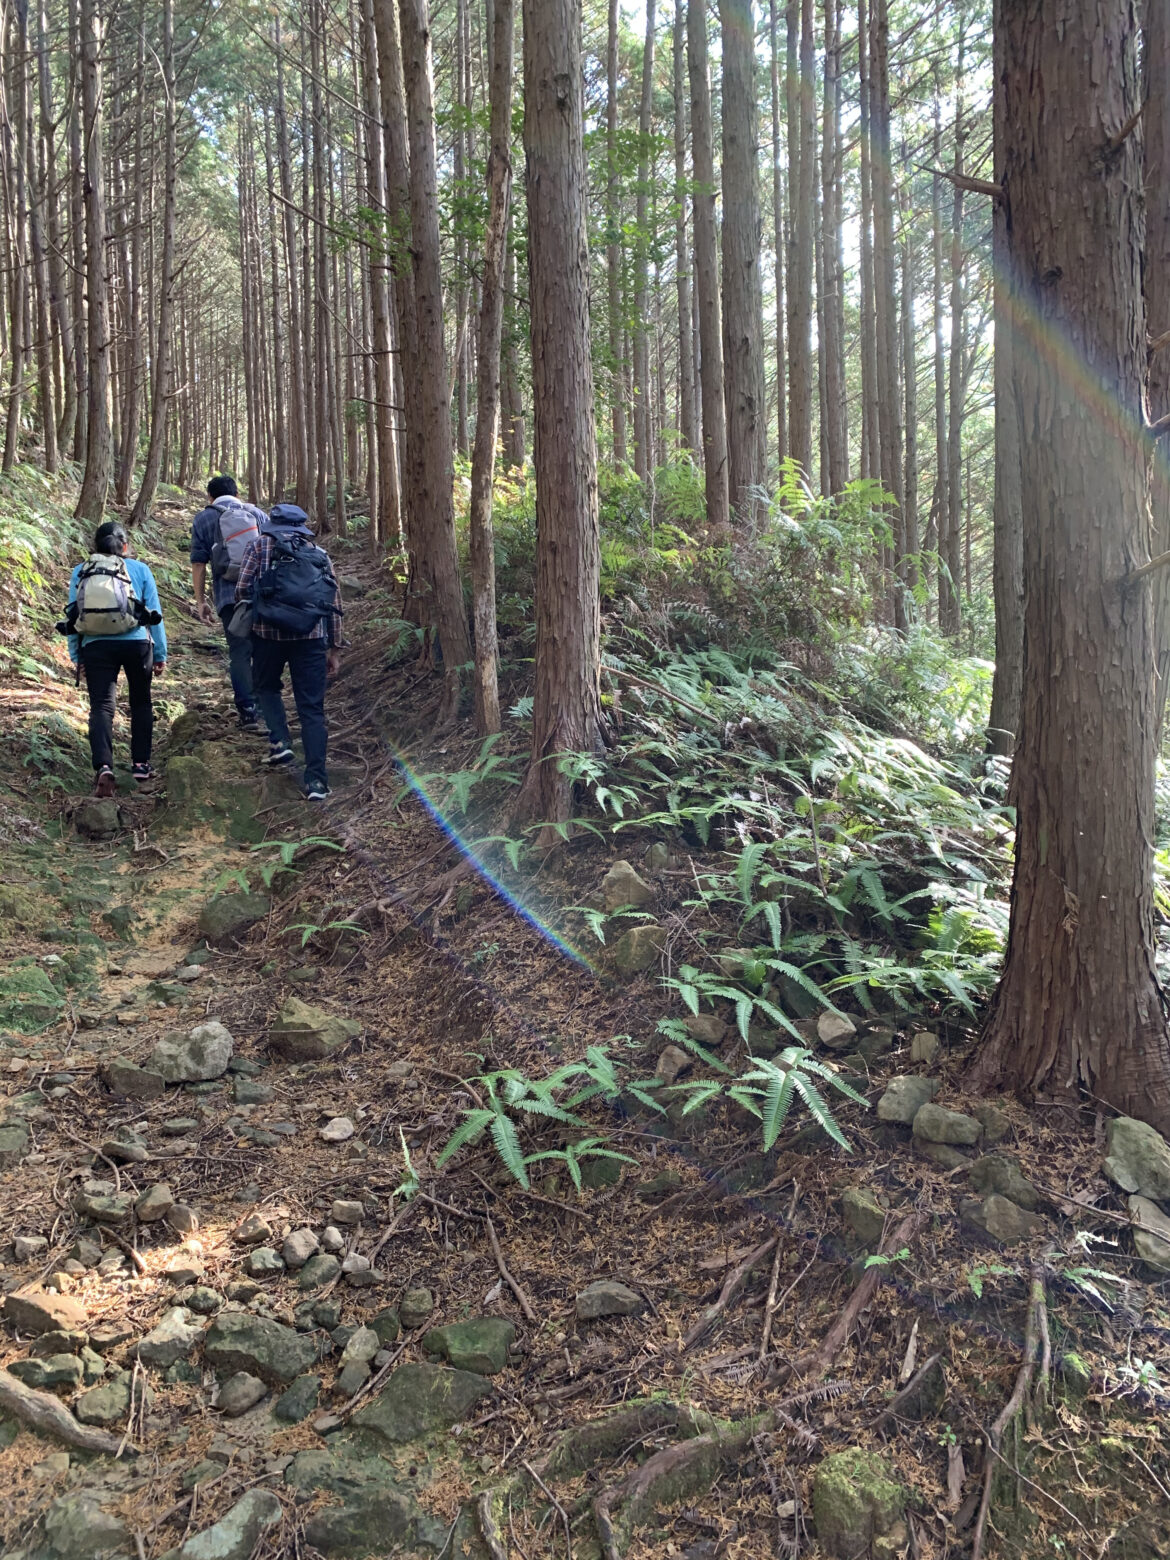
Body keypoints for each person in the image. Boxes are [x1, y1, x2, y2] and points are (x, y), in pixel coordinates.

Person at [234, 503, 343, 801]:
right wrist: (335, 647)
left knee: (265, 687)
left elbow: (241, 590)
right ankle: (317, 782)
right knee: (311, 709)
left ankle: (280, 741)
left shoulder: (258, 547)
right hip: (311, 637)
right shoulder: (319, 555)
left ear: (272, 522)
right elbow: (333, 604)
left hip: (267, 636)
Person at [64, 521, 167, 796]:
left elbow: (73, 616)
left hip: (97, 645)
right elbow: (153, 613)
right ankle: (141, 764)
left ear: (95, 546)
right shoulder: (140, 569)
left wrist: (77, 655)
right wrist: (160, 654)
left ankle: (104, 767)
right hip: (137, 645)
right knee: (141, 702)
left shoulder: (81, 571)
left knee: (101, 707)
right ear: (124, 546)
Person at [189, 474, 267, 730]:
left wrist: (201, 601)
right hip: (262, 594)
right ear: (237, 494)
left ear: (210, 497)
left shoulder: (204, 518)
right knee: (265, 650)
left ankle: (248, 712)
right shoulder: (258, 514)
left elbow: (199, 563)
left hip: (228, 597)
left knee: (240, 653)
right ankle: (269, 707)